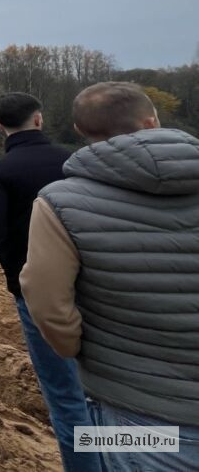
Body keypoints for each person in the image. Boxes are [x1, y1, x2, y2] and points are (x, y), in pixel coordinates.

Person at [21, 82, 199, 470]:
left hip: (134, 412)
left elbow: (47, 303)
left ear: (80, 131)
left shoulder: (58, 201)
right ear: (152, 120)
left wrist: (80, 351)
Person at [0, 93, 98, 472]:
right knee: (105, 390)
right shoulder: (76, 160)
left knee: (65, 396)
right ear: (39, 120)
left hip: (36, 294)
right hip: (95, 286)